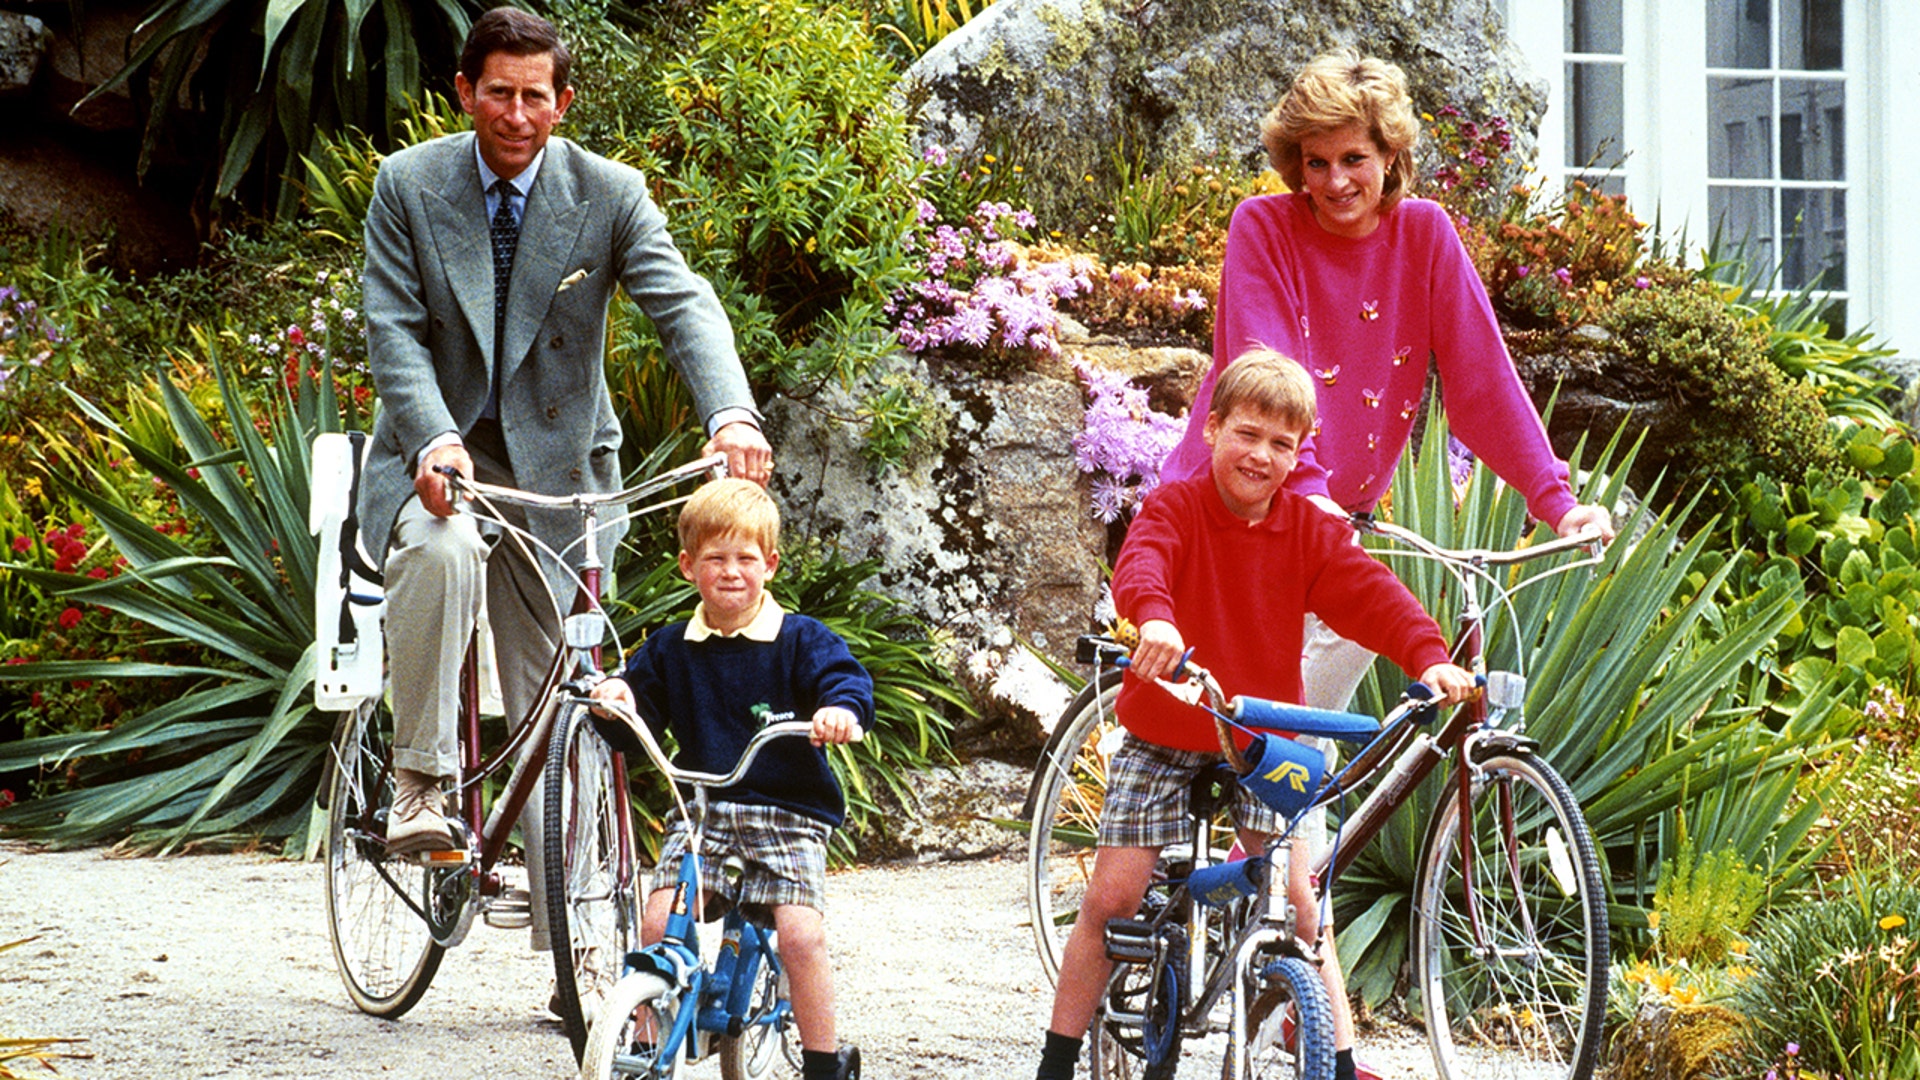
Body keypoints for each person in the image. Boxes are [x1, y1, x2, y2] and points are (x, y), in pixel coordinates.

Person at [357, 6, 774, 864]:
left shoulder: (608, 194)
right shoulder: (408, 184)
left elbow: (681, 302)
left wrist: (730, 413)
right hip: (439, 452)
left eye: (534, 96)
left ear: (562, 103)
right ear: (465, 91)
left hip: (556, 469)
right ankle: (421, 785)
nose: (515, 114)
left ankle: (572, 948)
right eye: (498, 93)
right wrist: (433, 437)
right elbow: (392, 333)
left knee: (562, 691)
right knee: (441, 550)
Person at [1034, 350, 1476, 1080]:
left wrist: (1427, 655)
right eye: (1247, 434)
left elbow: (1370, 593)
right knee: (1113, 896)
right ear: (1210, 431)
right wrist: (1155, 621)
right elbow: (1142, 563)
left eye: (1281, 444)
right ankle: (1056, 1060)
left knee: (1301, 903)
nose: (1260, 455)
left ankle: (1337, 1060)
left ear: (1300, 455)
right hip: (1169, 727)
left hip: (1256, 737)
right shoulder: (1175, 506)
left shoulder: (1307, 530)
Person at [1157, 47, 1615, 718]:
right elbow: (1267, 374)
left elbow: (1482, 383)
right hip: (1240, 506)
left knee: (1302, 738)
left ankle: (1273, 811)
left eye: (1353, 159)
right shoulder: (1263, 228)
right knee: (1255, 739)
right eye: (1317, 162)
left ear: (1390, 157)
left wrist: (1554, 500)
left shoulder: (1425, 234)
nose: (1336, 181)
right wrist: (1307, 489)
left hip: (1329, 527)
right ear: (1297, 165)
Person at [588, 478, 871, 1080]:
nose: (732, 572)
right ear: (689, 567)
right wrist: (616, 699)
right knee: (659, 920)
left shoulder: (799, 640)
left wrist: (839, 712)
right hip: (704, 809)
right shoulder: (670, 647)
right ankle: (643, 1042)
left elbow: (844, 680)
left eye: (746, 558)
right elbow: (640, 705)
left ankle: (823, 1062)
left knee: (799, 936)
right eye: (715, 558)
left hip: (787, 812)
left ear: (769, 563)